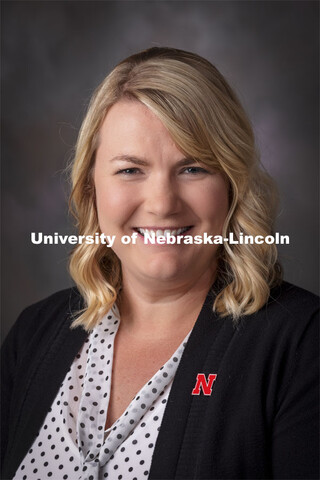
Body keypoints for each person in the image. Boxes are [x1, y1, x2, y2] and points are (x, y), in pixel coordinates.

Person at [1, 47, 318, 480]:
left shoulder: (302, 345)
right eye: (131, 170)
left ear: (232, 185)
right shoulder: (34, 335)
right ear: (91, 187)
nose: (162, 204)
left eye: (193, 168)